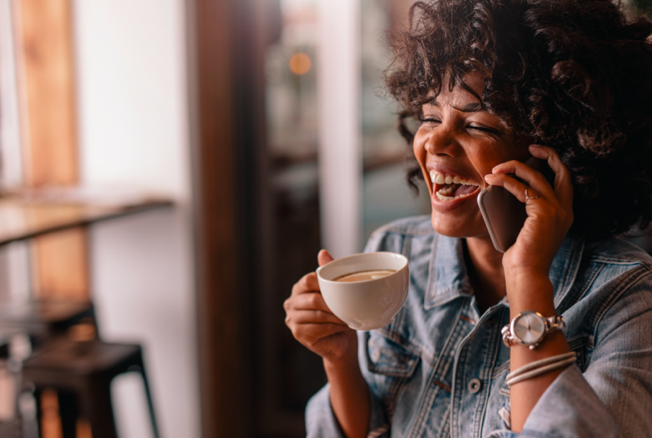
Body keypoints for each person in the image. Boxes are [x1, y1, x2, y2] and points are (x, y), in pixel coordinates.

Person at [283, 0, 652, 436]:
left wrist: (528, 278)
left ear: (560, 152)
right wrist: (341, 359)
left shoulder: (626, 300)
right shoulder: (394, 252)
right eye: (429, 117)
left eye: (478, 126)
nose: (434, 142)